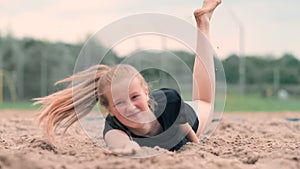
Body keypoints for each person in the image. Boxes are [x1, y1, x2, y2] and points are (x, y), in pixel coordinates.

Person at [34, 0, 221, 155]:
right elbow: (121, 142)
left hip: (186, 114)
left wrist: (197, 147)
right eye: (119, 103)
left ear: (146, 92)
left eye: (134, 97)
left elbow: (187, 129)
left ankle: (203, 25)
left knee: (205, 102)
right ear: (109, 109)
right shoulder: (113, 127)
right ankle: (204, 23)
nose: (130, 108)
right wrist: (129, 148)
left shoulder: (171, 103)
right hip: (157, 107)